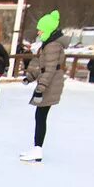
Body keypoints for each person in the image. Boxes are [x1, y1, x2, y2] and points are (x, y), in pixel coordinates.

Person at [20, 10, 68, 163]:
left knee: (40, 117)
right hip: (49, 85)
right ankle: (36, 148)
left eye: (40, 29)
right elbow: (41, 67)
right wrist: (30, 77)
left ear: (47, 29)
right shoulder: (48, 44)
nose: (38, 32)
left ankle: (38, 149)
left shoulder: (52, 46)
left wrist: (40, 88)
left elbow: (50, 70)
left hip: (50, 87)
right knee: (40, 116)